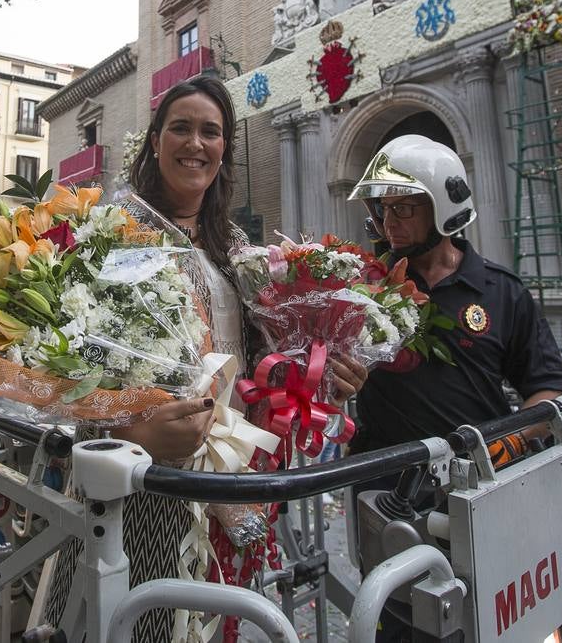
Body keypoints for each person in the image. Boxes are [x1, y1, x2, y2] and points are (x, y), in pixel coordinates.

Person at [41, 76, 367, 641]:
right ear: (154, 141)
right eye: (181, 128)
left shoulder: (236, 244)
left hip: (233, 479)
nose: (196, 143)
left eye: (211, 132)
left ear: (225, 149)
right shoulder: (112, 235)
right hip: (145, 481)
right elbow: (72, 365)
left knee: (221, 619)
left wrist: (320, 377)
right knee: (143, 620)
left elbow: (266, 361)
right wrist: (135, 431)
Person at [347, 135, 562, 459]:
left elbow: (549, 388)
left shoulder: (503, 292)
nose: (389, 222)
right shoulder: (364, 288)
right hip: (382, 482)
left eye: (403, 208)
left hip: (479, 481)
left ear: (444, 207)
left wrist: (509, 443)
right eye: (383, 208)